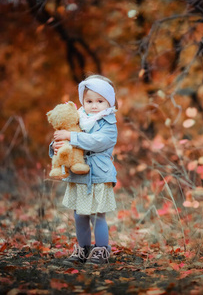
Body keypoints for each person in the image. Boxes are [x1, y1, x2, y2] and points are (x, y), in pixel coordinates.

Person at [49, 74, 118, 265]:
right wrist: (56, 145)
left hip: (98, 174)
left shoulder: (109, 124)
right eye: (89, 101)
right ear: (83, 101)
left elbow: (96, 142)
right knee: (80, 214)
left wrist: (70, 137)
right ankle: (83, 249)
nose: (94, 105)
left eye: (100, 101)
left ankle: (101, 250)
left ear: (109, 102)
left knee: (97, 214)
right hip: (78, 174)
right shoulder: (78, 118)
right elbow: (66, 137)